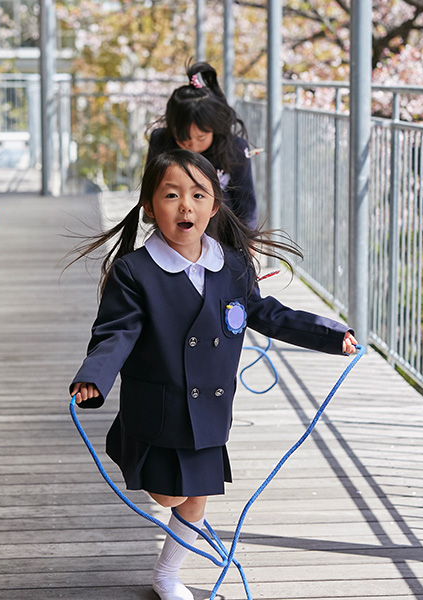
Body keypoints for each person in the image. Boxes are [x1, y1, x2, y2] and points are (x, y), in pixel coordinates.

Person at [69, 149, 357, 600]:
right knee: (169, 496)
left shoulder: (234, 266)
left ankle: (167, 576)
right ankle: (127, 448)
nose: (186, 205)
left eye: (198, 195)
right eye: (171, 195)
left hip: (208, 411)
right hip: (159, 410)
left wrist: (330, 335)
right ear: (149, 207)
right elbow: (116, 333)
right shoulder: (134, 272)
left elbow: (267, 313)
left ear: (214, 206)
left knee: (196, 498)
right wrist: (94, 376)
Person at [147, 61, 259, 230]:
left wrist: (248, 238)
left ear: (214, 128)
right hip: (175, 228)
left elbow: (245, 202)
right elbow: (151, 190)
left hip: (222, 230)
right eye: (183, 138)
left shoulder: (234, 148)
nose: (192, 145)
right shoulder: (161, 140)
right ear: (172, 127)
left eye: (201, 137)